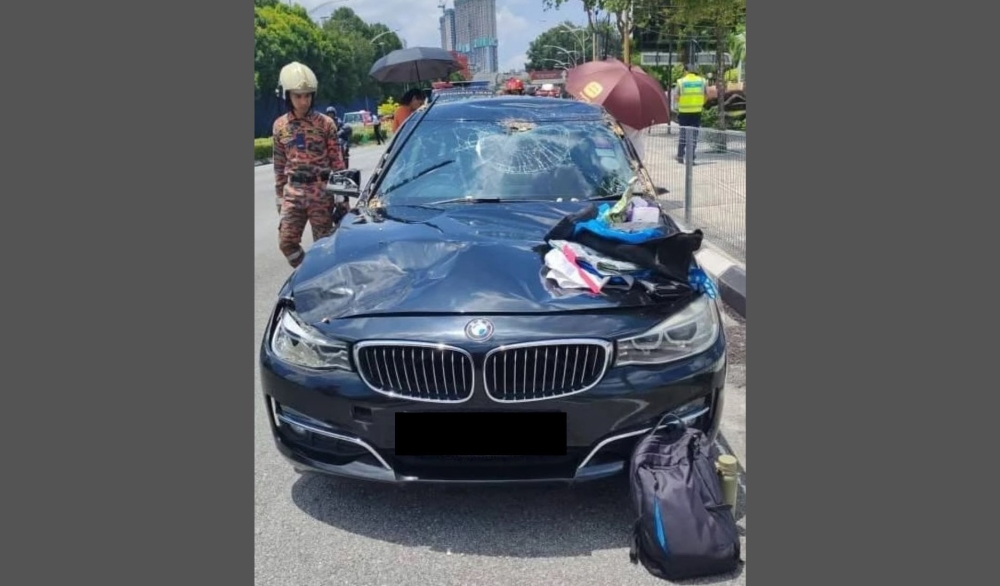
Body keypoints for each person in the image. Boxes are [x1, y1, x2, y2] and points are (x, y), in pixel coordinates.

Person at [271, 61, 347, 268]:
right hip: (293, 193)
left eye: (307, 95)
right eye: (298, 96)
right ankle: (307, 273)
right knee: (286, 242)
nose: (303, 101)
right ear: (288, 96)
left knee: (324, 247)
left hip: (321, 192)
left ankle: (324, 285)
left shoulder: (325, 124)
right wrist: (279, 196)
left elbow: (337, 162)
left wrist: (342, 200)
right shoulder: (279, 126)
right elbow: (279, 164)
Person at [674, 62, 707, 164]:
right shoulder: (702, 81)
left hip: (684, 112)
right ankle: (691, 158)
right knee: (693, 136)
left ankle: (680, 156)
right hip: (697, 112)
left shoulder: (681, 82)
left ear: (685, 71)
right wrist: (699, 104)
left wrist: (681, 103)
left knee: (683, 134)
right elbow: (706, 96)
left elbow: (676, 97)